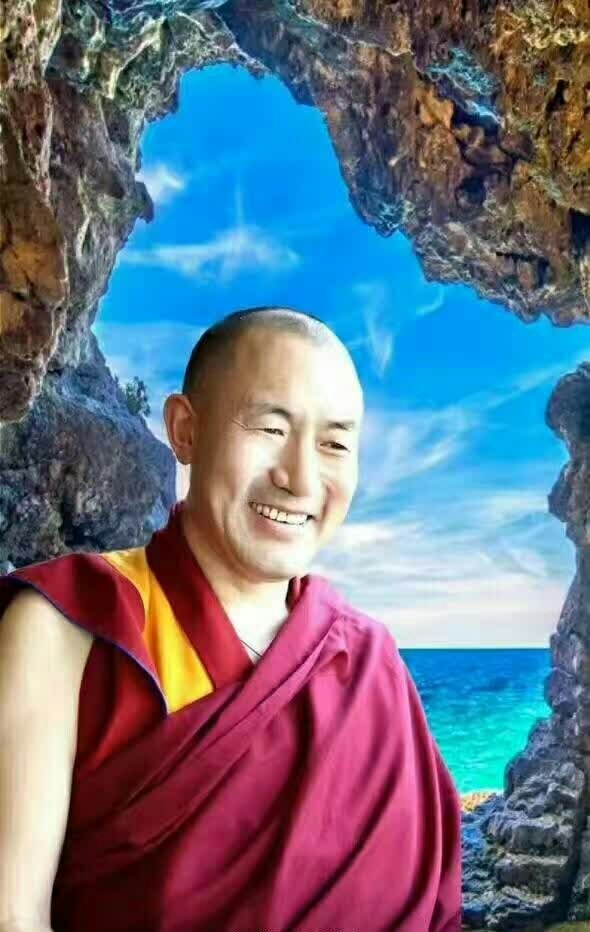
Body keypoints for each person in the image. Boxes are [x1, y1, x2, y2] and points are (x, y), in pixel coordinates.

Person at [0, 306, 462, 932]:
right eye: (270, 428)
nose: (300, 479)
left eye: (333, 445)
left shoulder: (369, 663)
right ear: (185, 431)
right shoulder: (66, 627)